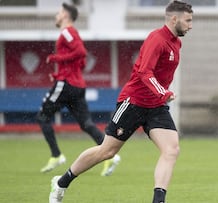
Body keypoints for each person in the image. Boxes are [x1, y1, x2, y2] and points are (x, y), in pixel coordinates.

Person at [48, 1, 193, 202]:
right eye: (188, 20)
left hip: (156, 105)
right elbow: (144, 72)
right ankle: (61, 182)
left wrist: (160, 95)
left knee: (171, 149)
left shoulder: (176, 43)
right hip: (133, 102)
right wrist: (163, 92)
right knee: (107, 151)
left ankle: (158, 200)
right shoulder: (156, 39)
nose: (190, 25)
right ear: (174, 18)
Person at [36, 2, 120, 176]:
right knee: (86, 123)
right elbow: (80, 62)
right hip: (76, 85)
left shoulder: (66, 32)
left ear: (66, 15)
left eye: (59, 12)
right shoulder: (74, 34)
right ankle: (110, 155)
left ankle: (56, 155)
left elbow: (81, 53)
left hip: (67, 84)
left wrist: (57, 59)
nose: (56, 15)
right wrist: (62, 72)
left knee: (43, 116)